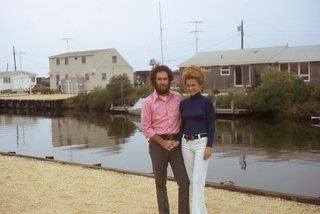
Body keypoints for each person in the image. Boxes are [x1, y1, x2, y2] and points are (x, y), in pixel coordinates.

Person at [141, 65, 190, 214]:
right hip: (157, 145)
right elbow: (146, 127)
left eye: (165, 79)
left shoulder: (178, 98)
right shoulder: (148, 102)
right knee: (160, 183)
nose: (162, 82)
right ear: (154, 81)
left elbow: (184, 121)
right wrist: (163, 142)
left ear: (169, 80)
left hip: (176, 144)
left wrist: (179, 140)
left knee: (184, 181)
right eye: (159, 79)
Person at [180, 65, 215, 214]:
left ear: (200, 85)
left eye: (193, 85)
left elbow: (211, 124)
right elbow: (182, 125)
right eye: (188, 86)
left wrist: (209, 146)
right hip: (185, 144)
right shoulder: (183, 104)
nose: (190, 88)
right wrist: (177, 141)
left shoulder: (206, 102)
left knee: (196, 180)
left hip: (202, 143)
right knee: (194, 182)